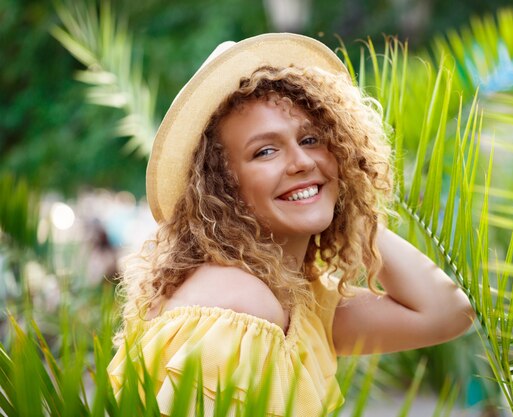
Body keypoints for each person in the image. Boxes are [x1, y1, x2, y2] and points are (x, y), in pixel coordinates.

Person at [108, 33, 474, 416]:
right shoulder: (242, 303)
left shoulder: (294, 298)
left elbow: (446, 313)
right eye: (265, 151)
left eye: (312, 139)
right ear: (222, 184)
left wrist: (351, 203)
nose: (301, 161)